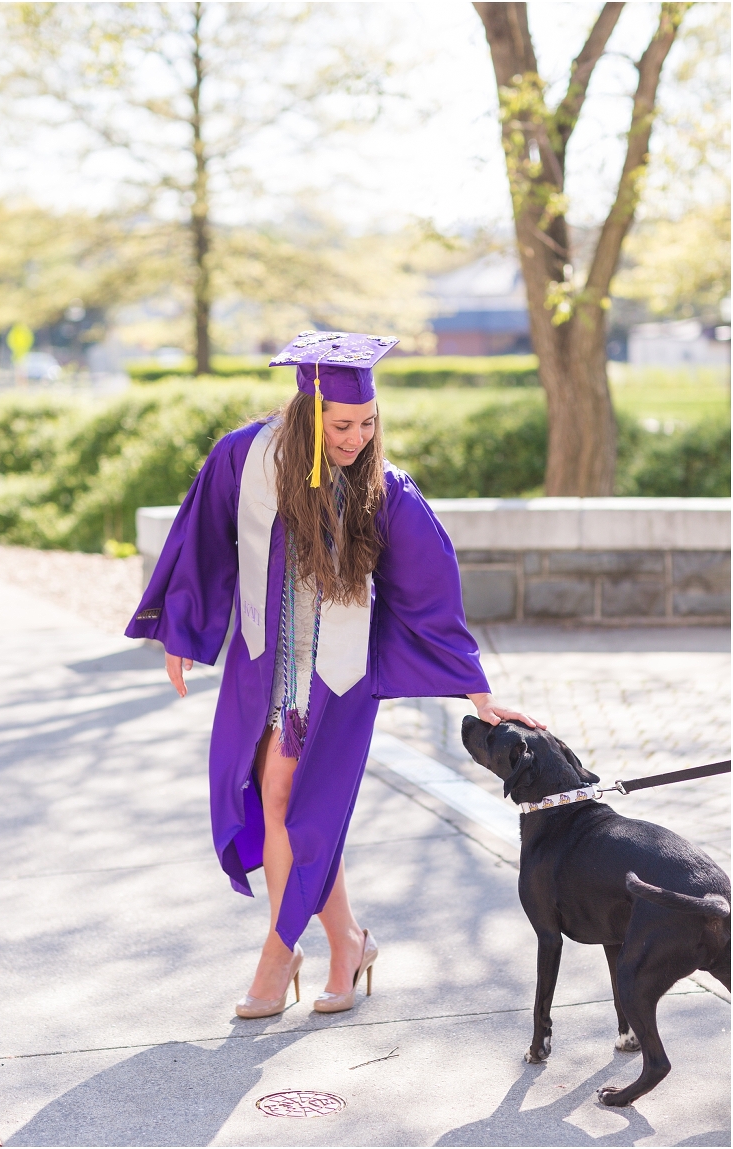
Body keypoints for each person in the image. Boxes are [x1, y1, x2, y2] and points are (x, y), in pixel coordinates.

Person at [125, 330, 542, 1019]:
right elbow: (203, 537)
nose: (357, 437)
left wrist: (475, 686)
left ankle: (276, 951)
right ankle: (347, 942)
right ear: (306, 413)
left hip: (337, 678)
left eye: (368, 422)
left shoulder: (384, 487)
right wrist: (183, 628)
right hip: (262, 664)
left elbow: (429, 587)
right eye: (342, 424)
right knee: (291, 807)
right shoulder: (246, 457)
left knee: (288, 797)